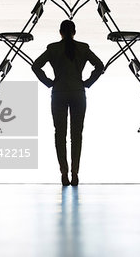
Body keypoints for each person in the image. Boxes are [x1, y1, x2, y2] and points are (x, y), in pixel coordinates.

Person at [32, 20, 104, 186]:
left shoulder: (53, 48)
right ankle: (75, 172)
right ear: (74, 32)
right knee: (76, 135)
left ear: (60, 32)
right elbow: (99, 66)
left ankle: (63, 173)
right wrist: (88, 82)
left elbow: (36, 66)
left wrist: (48, 82)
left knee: (60, 134)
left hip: (58, 92)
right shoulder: (83, 48)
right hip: (78, 92)